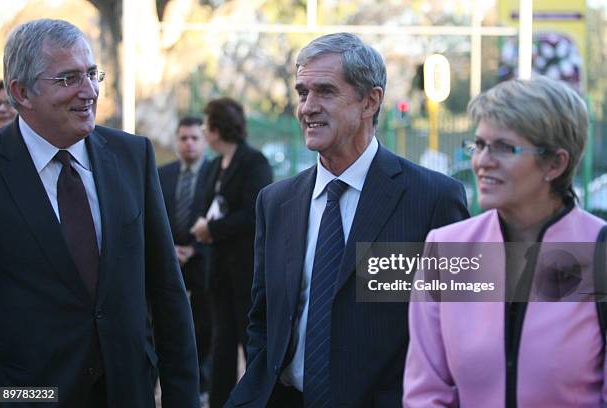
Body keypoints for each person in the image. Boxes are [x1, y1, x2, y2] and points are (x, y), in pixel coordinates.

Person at [227, 33, 468, 408]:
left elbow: (456, 331)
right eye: (302, 92)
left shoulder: (433, 199)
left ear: (370, 101)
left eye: (325, 91)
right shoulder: (276, 202)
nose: (307, 107)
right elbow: (264, 317)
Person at [0, 19, 199, 407]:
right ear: (21, 93)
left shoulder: (132, 157)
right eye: (68, 79)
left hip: (128, 393)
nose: (89, 91)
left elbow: (167, 292)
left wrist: (181, 398)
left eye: (91, 74)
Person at [404, 76, 607, 407]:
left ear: (556, 163)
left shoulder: (600, 253)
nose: (483, 161)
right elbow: (426, 393)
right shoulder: (446, 247)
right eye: (480, 145)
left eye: (503, 147)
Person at [190, 97, 273, 408]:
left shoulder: (254, 162)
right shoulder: (213, 166)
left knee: (249, 342)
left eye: (205, 123)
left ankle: (258, 400)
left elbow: (255, 213)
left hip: (246, 272)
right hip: (218, 272)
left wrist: (213, 229)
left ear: (217, 128)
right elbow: (205, 204)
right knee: (221, 345)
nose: (202, 129)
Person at [158, 116, 212, 398]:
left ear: (204, 140)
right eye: (183, 138)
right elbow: (153, 216)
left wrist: (195, 248)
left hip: (203, 261)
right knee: (169, 322)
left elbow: (221, 216)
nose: (189, 143)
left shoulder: (216, 173)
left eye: (194, 138)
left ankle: (203, 383)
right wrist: (169, 251)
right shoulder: (160, 173)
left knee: (204, 324)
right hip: (169, 261)